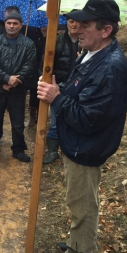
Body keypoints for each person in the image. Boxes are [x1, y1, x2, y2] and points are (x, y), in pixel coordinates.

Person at [37, 0, 127, 253]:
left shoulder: (111, 67)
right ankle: (81, 240)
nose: (78, 30)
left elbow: (90, 118)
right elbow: (78, 89)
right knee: (80, 198)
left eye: (86, 25)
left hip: (87, 145)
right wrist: (58, 87)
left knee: (82, 203)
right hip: (78, 142)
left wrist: (56, 98)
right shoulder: (92, 55)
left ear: (106, 31)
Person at [0, 11, 36, 162]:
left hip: (18, 89)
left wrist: (15, 81)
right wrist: (6, 79)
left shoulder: (28, 44)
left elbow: (29, 65)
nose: (11, 26)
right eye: (9, 23)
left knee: (17, 122)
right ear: (5, 24)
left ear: (21, 25)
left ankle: (18, 149)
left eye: (15, 23)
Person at [43, 18, 79, 164]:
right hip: (59, 85)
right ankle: (52, 151)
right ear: (67, 23)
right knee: (55, 119)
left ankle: (70, 149)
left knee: (74, 117)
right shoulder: (56, 40)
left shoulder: (86, 42)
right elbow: (46, 62)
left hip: (77, 86)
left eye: (77, 22)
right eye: (71, 21)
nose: (74, 25)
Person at [27, 26, 47, 128]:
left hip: (45, 69)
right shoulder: (33, 33)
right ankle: (32, 117)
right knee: (34, 93)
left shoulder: (52, 36)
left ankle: (41, 117)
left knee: (43, 94)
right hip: (34, 69)